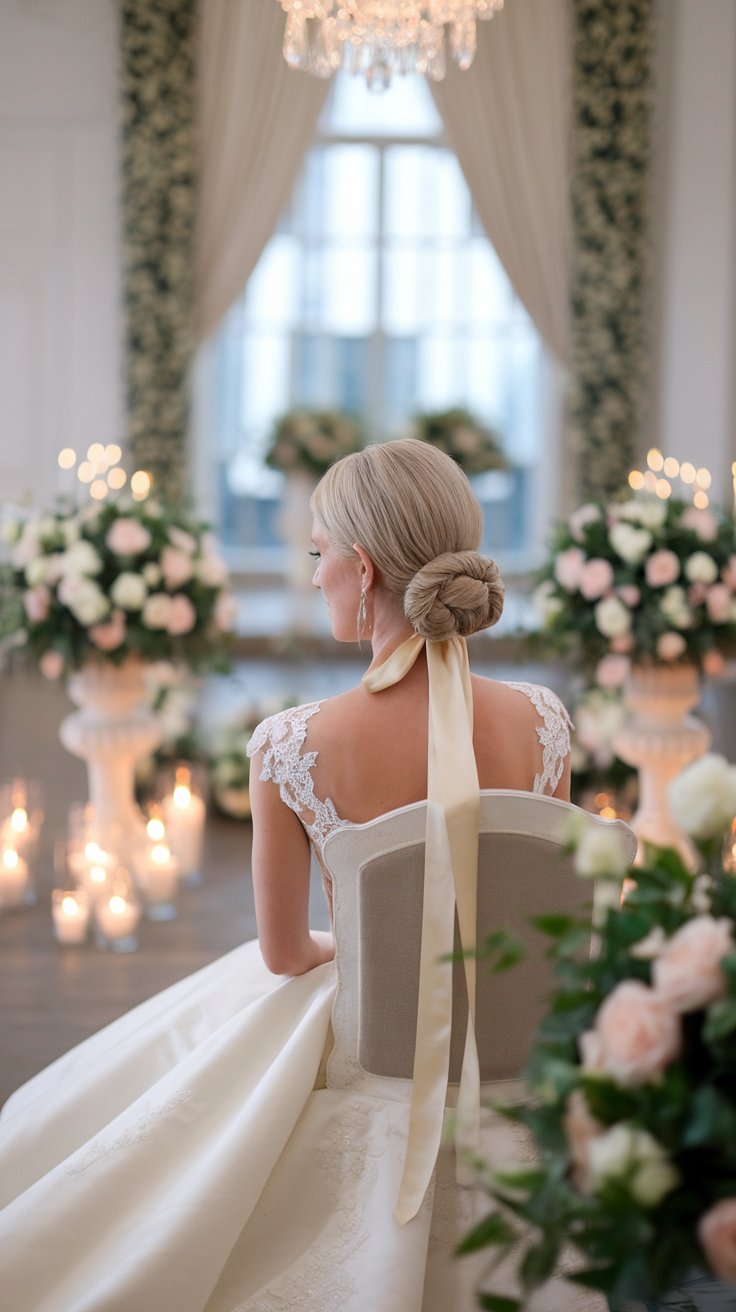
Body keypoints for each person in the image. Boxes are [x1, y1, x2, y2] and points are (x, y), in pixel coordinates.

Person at [0, 439, 572, 1312]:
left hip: (379, 1055)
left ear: (363, 568)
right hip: (517, 1048)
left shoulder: (291, 744)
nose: (313, 579)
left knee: (210, 1028)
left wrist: (373, 949)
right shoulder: (544, 722)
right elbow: (542, 923)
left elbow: (282, 953)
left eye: (316, 555)